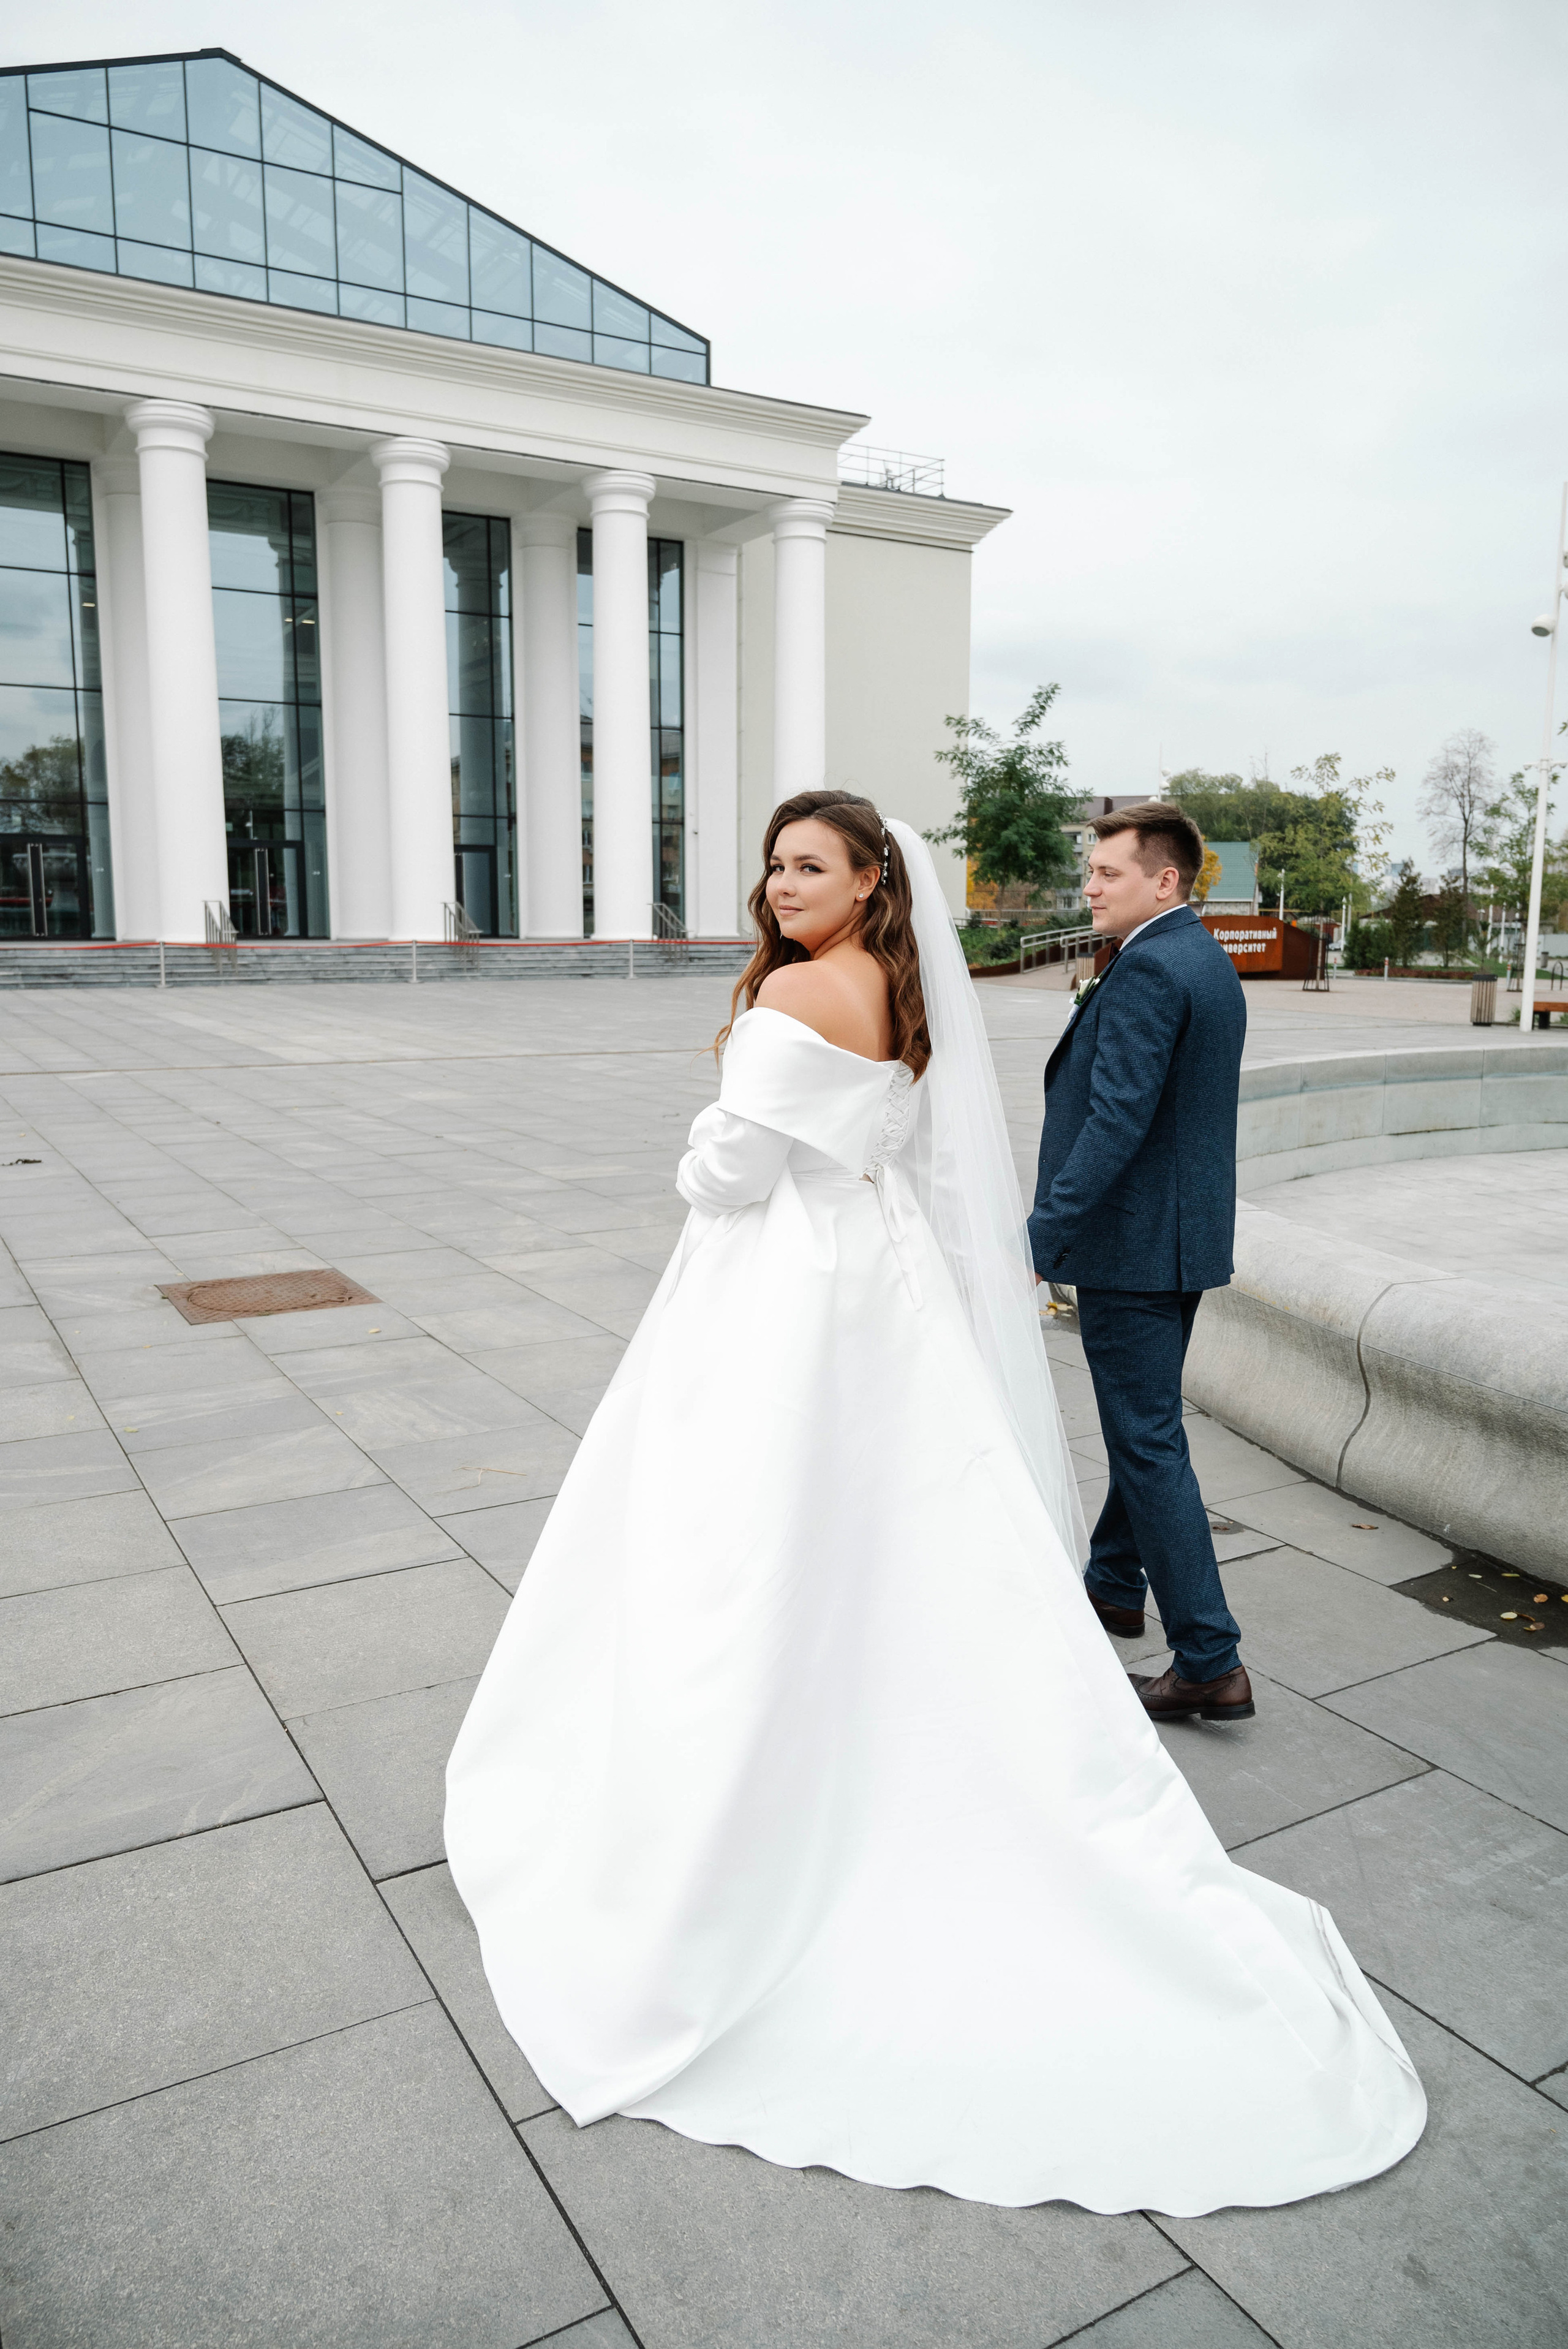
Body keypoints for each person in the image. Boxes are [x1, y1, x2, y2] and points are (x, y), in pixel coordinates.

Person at [445, 789, 1423, 2215]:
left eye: (807, 865)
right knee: (900, 1519)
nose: (781, 885)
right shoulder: (899, 989)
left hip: (786, 1284)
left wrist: (704, 1137)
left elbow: (730, 1170)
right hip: (876, 1268)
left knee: (756, 1525)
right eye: (772, 862)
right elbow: (895, 1146)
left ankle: (1165, 1656)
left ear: (864, 879)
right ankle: (1093, 1639)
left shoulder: (796, 995)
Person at [1028, 803, 1252, 1722]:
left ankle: (1209, 1656)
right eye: (1089, 871)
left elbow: (1115, 1121)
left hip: (1130, 1248)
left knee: (1147, 1440)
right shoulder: (1199, 954)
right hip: (1182, 1237)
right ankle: (1115, 1582)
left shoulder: (1151, 970)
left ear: (1164, 880)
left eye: (1107, 872)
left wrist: (1043, 1236)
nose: (1088, 885)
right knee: (1143, 1426)